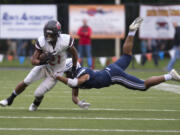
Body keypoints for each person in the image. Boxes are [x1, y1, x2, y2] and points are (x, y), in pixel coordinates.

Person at [54, 17, 180, 109]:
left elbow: (76, 82)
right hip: (111, 69)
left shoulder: (80, 73)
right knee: (127, 55)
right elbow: (74, 95)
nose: (65, 74)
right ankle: (131, 31)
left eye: (65, 72)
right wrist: (79, 103)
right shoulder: (76, 75)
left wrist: (57, 76)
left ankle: (170, 76)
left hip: (113, 75)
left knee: (142, 86)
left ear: (70, 69)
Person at [0, 20, 78, 111]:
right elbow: (33, 60)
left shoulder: (65, 41)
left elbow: (74, 53)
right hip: (44, 67)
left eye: (51, 34)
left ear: (57, 34)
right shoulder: (42, 41)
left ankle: (36, 103)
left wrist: (74, 67)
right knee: (26, 81)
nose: (48, 36)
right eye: (47, 34)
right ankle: (10, 99)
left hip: (56, 73)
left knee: (38, 93)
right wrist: (42, 62)